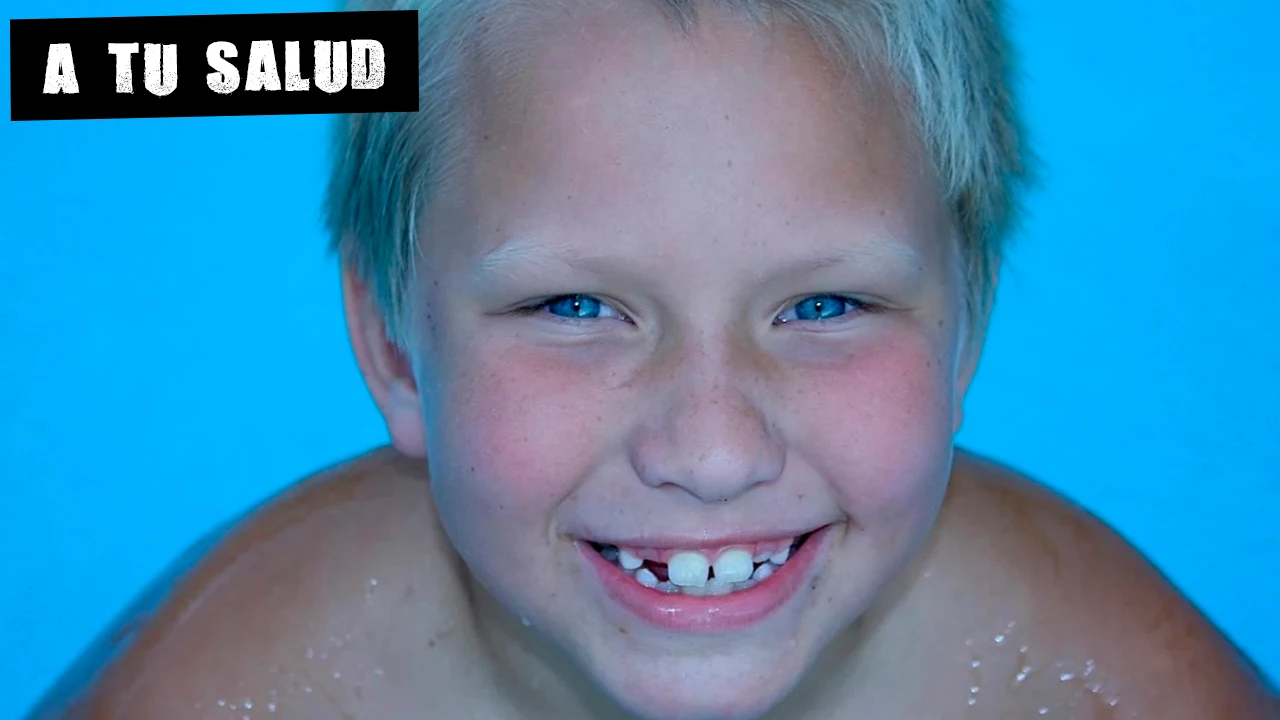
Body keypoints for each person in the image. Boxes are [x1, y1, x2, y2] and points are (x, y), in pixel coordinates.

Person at [27, 0, 1279, 717]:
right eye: (575, 308)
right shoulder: (229, 692)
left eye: (825, 306)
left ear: (970, 325)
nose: (713, 452)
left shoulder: (1111, 690)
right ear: (394, 350)